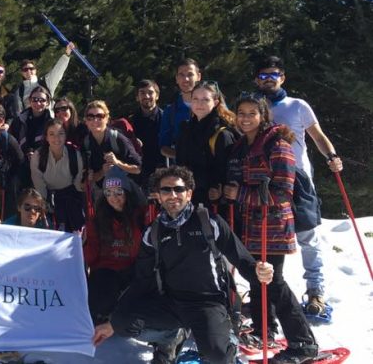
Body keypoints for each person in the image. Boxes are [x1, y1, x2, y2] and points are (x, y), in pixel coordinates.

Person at [93, 166, 276, 364]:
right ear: (159, 196)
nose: (172, 195)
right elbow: (142, 279)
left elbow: (241, 258)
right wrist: (115, 322)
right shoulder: (154, 232)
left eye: (178, 189)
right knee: (122, 321)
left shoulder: (209, 222)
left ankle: (227, 337)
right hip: (171, 302)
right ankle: (170, 336)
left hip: (207, 303)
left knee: (217, 355)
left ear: (189, 194)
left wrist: (258, 271)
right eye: (166, 190)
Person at [224, 94, 318, 362]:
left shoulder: (277, 145)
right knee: (257, 278)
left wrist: (240, 194)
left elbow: (283, 192)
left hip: (272, 224)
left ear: (263, 116)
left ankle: (303, 343)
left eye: (252, 113)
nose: (245, 118)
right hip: (250, 223)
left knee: (273, 282)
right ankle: (264, 331)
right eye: (241, 113)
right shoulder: (242, 145)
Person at [254, 55, 342, 314]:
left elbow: (317, 135)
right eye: (263, 76)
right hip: (266, 179)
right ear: (256, 80)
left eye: (273, 75)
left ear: (282, 78)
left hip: (298, 178)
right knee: (266, 238)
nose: (268, 80)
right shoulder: (254, 107)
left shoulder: (297, 105)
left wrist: (332, 156)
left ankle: (316, 291)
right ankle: (266, 292)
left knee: (307, 235)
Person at [83, 169, 147, 325]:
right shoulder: (98, 220)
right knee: (100, 296)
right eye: (108, 193)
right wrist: (84, 244)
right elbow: (91, 257)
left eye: (119, 192)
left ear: (127, 192)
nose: (114, 198)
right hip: (106, 270)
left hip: (133, 269)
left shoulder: (141, 216)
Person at [175, 81, 237, 206]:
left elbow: (226, 171)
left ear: (215, 102)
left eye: (205, 100)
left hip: (214, 201)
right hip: (188, 197)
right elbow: (180, 162)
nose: (199, 104)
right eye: (195, 99)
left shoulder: (222, 133)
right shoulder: (185, 129)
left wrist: (217, 187)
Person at [30, 119, 85, 232]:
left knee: (77, 230)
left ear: (65, 136)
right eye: (52, 134)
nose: (56, 138)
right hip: (48, 197)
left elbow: (78, 183)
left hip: (71, 196)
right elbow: (39, 185)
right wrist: (45, 204)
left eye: (61, 133)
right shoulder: (38, 156)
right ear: (46, 137)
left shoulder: (74, 154)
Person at [83, 101, 142, 197]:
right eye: (90, 117)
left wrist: (117, 163)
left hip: (124, 193)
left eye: (100, 116)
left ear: (107, 119)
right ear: (86, 121)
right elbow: (90, 178)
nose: (95, 120)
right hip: (103, 194)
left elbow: (138, 169)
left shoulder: (117, 138)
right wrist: (102, 172)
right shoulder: (86, 143)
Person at [9, 42, 75, 114]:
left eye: (31, 69)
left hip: (48, 118)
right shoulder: (20, 91)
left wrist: (67, 54)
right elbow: (19, 111)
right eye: (25, 69)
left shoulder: (45, 82)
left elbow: (57, 71)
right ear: (22, 73)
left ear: (35, 70)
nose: (28, 71)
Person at [9, 85, 53, 188]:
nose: (38, 103)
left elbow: (54, 145)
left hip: (43, 164)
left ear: (47, 102)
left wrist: (37, 155)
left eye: (42, 100)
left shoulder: (51, 122)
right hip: (21, 161)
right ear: (30, 100)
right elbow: (12, 141)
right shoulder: (19, 120)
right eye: (35, 99)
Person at [160, 58, 202, 160]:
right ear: (176, 79)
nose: (186, 79)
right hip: (182, 168)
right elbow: (163, 146)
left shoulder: (211, 107)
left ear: (198, 77)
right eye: (181, 75)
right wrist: (183, 156)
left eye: (190, 74)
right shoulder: (170, 112)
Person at [129, 79, 166, 189]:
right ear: (137, 97)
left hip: (161, 173)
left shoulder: (166, 119)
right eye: (142, 93)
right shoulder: (131, 121)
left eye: (150, 92)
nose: (146, 96)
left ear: (157, 96)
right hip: (138, 175)